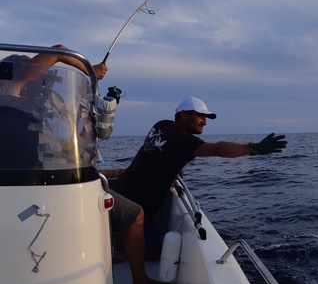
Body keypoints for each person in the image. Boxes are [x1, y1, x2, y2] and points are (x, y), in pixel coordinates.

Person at [1, 45, 170, 284]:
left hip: (27, 193)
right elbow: (58, 50)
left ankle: (106, 255)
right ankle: (140, 282)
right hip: (54, 190)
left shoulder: (26, 112)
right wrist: (92, 72)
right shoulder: (10, 94)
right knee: (136, 216)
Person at [114, 96, 288, 251]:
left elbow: (163, 156)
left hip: (123, 193)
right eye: (200, 116)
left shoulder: (162, 125)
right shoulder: (184, 140)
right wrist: (254, 149)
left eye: (206, 117)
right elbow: (217, 149)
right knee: (152, 253)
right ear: (184, 115)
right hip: (134, 207)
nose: (204, 121)